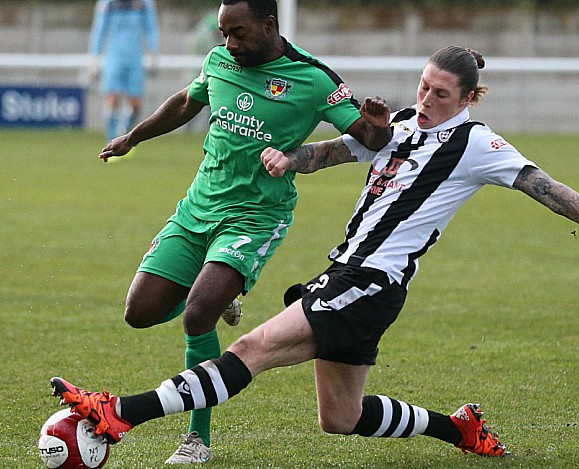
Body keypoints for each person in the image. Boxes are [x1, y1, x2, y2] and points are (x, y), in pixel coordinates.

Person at [51, 46, 579, 463]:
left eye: (441, 93)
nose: (427, 98)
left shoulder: (478, 145)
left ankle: (120, 414)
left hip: (371, 279)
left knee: (251, 351)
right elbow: (334, 152)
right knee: (340, 419)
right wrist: (290, 158)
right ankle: (455, 428)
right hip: (354, 278)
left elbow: (549, 190)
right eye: (424, 86)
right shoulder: (399, 124)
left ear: (467, 99)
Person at [91, 0, 391, 464]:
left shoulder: (313, 79)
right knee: (140, 312)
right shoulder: (219, 61)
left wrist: (377, 126)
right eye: (224, 33)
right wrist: (134, 136)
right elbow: (186, 103)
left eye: (238, 33)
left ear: (270, 25)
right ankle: (216, 289)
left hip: (255, 217)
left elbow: (368, 140)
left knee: (197, 315)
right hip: (197, 208)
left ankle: (197, 439)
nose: (229, 44)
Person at [88, 0, 160, 142]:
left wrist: (153, 52)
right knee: (112, 97)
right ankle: (111, 138)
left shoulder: (145, 4)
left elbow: (151, 28)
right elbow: (99, 29)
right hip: (114, 57)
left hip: (135, 57)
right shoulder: (108, 3)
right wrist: (94, 56)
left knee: (136, 103)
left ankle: (125, 133)